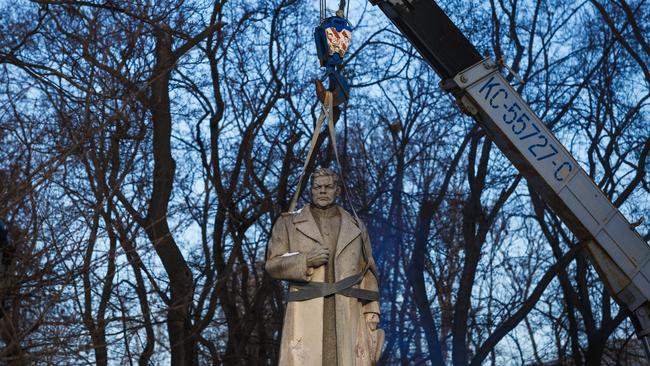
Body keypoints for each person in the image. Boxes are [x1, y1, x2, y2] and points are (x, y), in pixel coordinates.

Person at [266, 168, 382, 365]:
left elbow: (368, 269)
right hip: (306, 309)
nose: (322, 191)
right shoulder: (288, 223)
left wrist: (372, 309)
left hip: (347, 310)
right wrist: (305, 260)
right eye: (317, 187)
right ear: (310, 190)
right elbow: (272, 264)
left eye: (328, 187)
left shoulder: (355, 225)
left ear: (338, 190)